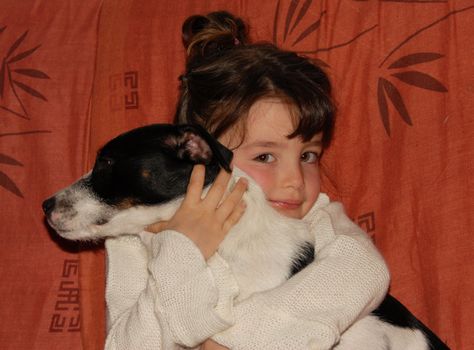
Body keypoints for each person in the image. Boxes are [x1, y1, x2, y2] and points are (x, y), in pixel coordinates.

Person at [104, 11, 390, 350]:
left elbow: (364, 273)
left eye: (308, 156)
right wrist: (181, 248)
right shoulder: (135, 239)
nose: (295, 181)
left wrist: (232, 342)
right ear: (201, 155)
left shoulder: (317, 221)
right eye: (265, 157)